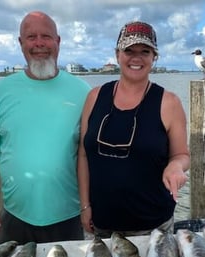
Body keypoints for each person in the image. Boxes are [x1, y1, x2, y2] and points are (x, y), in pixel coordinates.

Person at [0, 11, 91, 245]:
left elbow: (91, 156)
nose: (39, 44)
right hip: (15, 217)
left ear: (58, 42)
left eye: (46, 36)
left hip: (69, 218)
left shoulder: (83, 92)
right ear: (20, 43)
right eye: (31, 37)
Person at [78, 21, 190, 238]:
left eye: (145, 51)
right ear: (117, 54)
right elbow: (83, 154)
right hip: (100, 223)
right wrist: (85, 206)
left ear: (154, 57)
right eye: (129, 50)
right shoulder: (94, 97)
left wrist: (176, 166)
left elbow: (182, 154)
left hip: (153, 227)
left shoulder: (169, 102)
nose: (136, 58)